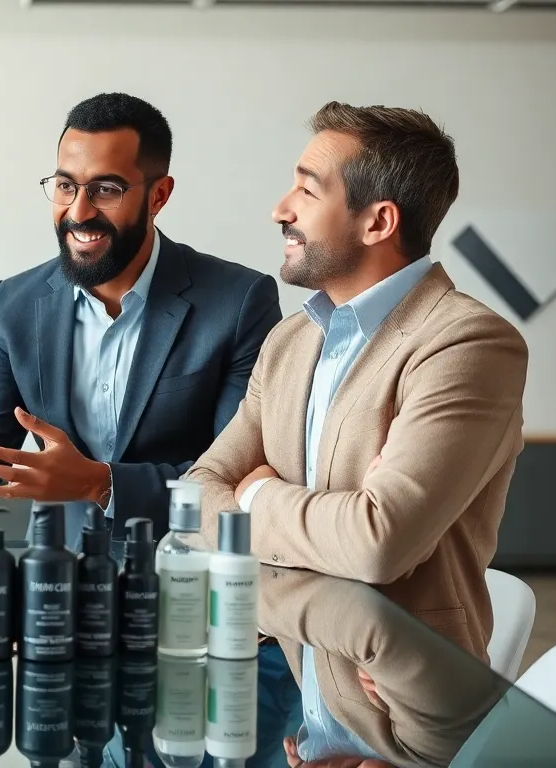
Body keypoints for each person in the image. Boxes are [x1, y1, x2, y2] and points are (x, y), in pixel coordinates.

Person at [186, 101, 528, 767]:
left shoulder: (467, 343)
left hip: (409, 739)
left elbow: (377, 542)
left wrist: (256, 500)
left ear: (379, 220)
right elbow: (197, 498)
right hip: (309, 728)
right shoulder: (289, 342)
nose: (280, 209)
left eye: (308, 190)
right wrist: (275, 516)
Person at [0, 92, 281, 550]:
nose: (79, 212)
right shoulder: (14, 303)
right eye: (66, 186)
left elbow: (235, 476)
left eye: (106, 190)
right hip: (56, 572)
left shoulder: (238, 302)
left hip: (184, 567)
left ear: (158, 195)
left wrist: (102, 484)